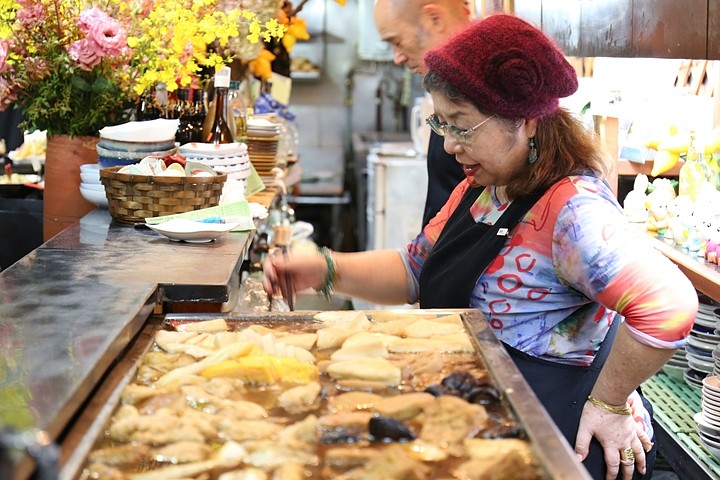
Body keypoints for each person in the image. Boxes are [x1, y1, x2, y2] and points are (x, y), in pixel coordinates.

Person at [264, 14, 697, 480]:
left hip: (561, 436)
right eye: (442, 124)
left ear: (526, 121)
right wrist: (325, 268)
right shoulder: (487, 189)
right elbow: (413, 270)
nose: (450, 145)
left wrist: (609, 402)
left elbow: (668, 307)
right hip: (495, 420)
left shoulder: (572, 210)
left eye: (462, 127)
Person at [373, 0, 469, 227]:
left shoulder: (481, 91)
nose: (397, 57)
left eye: (396, 41)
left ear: (434, 18)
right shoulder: (447, 86)